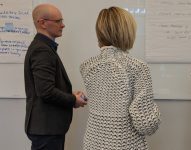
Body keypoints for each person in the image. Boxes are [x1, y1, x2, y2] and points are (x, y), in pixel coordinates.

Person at [80, 6, 161, 150]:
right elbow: (146, 124)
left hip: (93, 143)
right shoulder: (137, 67)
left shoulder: (87, 66)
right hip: (125, 144)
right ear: (127, 32)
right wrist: (155, 113)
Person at [24, 4, 87, 150]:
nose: (63, 25)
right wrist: (73, 100)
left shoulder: (44, 47)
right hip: (47, 130)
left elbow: (46, 87)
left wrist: (69, 95)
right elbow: (45, 91)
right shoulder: (42, 50)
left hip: (47, 129)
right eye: (58, 21)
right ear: (42, 23)